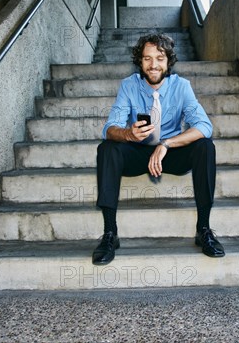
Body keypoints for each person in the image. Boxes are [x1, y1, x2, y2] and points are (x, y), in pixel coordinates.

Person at [93, 33, 225, 265]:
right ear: (140, 61)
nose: (153, 65)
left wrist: (166, 144)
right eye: (147, 59)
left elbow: (205, 125)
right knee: (107, 148)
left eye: (160, 58)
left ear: (169, 61)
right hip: (137, 152)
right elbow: (109, 128)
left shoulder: (182, 87)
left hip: (170, 154)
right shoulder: (128, 86)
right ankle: (110, 234)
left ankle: (203, 229)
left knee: (205, 146)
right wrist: (127, 134)